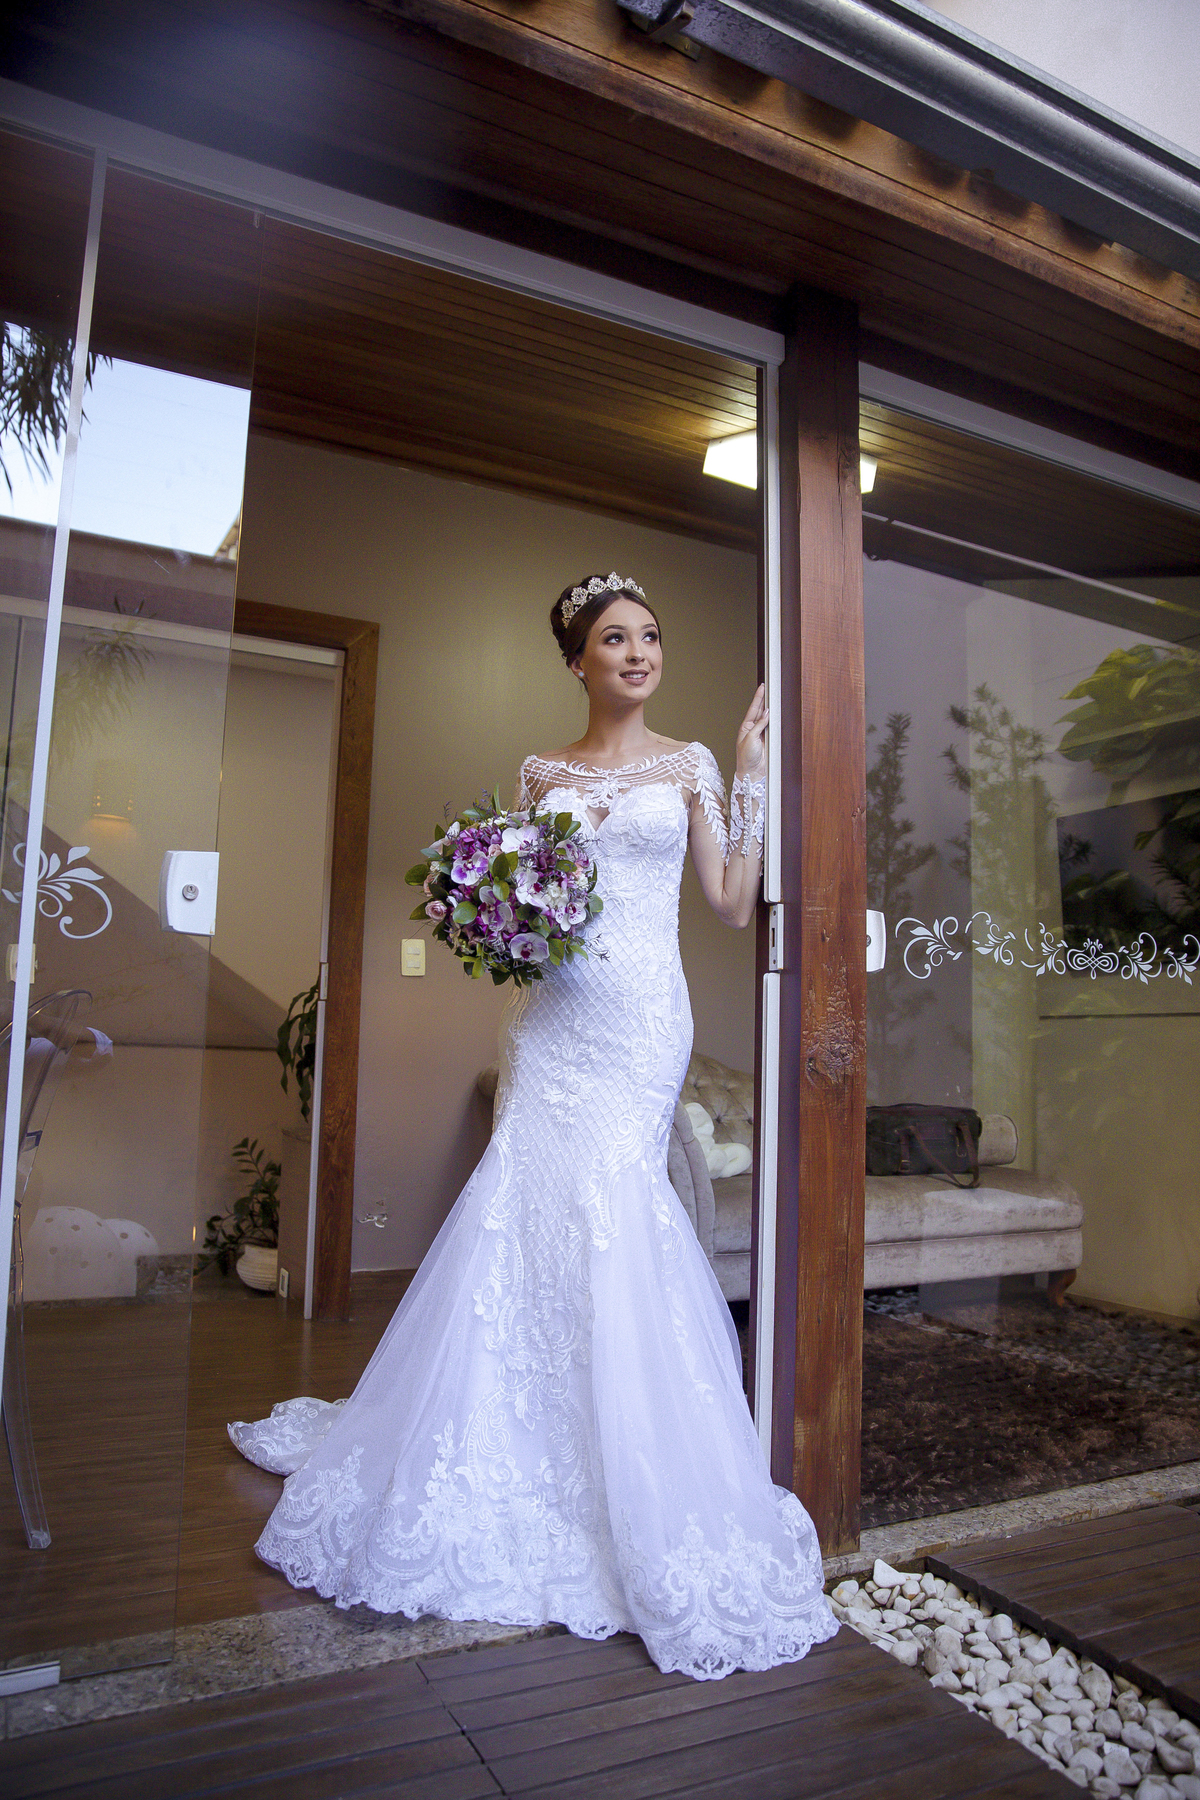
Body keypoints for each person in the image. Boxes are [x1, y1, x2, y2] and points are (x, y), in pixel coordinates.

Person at [230, 572, 836, 1680]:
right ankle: (513, 1437)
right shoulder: (538, 773)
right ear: (579, 661)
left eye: (651, 635)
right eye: (617, 639)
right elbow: (514, 896)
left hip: (642, 1022)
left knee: (618, 1207)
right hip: (549, 1024)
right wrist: (492, 909)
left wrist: (748, 782)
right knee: (524, 1208)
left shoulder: (691, 764)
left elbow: (732, 902)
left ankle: (628, 1462)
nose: (640, 653)